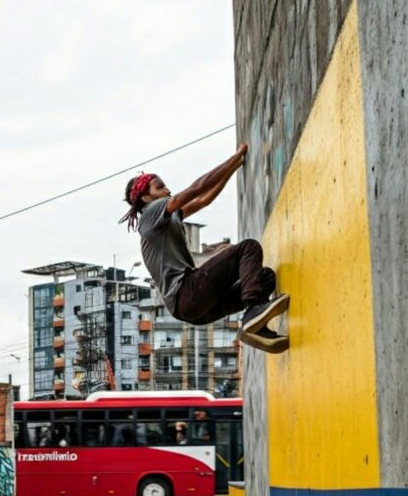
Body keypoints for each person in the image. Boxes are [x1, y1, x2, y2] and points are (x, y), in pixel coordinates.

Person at [121, 144, 290, 353]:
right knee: (248, 248)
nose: (167, 190)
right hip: (186, 293)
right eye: (160, 187)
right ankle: (254, 312)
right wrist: (233, 158)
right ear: (146, 198)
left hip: (194, 310)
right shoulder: (150, 213)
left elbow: (203, 200)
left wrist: (233, 168)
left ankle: (255, 328)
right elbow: (196, 189)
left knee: (265, 278)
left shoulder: (169, 217)